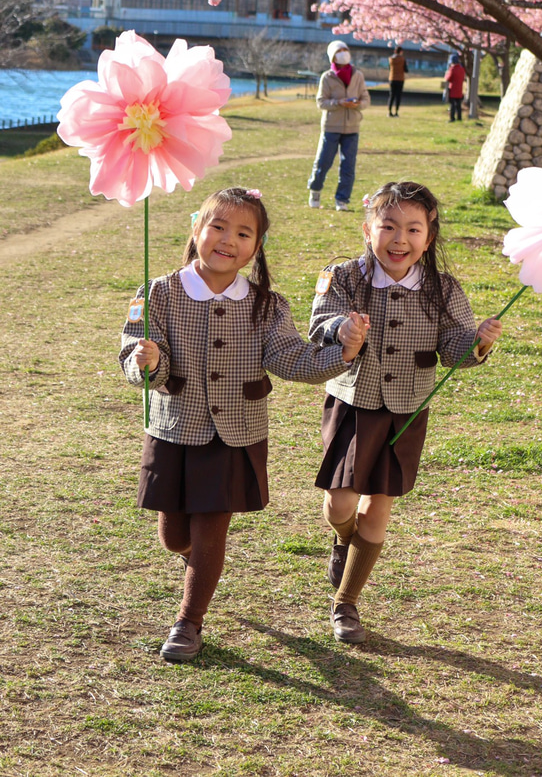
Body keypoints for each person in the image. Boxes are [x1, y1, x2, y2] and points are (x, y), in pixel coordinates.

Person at [119, 187, 367, 662]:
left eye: (243, 232)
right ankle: (196, 562)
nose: (227, 240)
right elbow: (134, 351)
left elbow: (291, 358)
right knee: (175, 535)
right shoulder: (158, 293)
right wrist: (146, 361)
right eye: (217, 227)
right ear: (196, 230)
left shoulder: (267, 305)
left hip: (236, 434)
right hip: (175, 429)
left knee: (212, 529)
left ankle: (188, 623)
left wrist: (344, 352)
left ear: (257, 247)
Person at [309, 181, 503, 644]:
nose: (400, 239)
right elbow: (319, 325)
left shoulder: (442, 289)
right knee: (340, 503)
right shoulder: (343, 277)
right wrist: (342, 329)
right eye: (389, 226)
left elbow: (454, 347)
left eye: (413, 229)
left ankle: (346, 604)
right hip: (354, 402)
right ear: (367, 229)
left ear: (428, 238)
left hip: (407, 411)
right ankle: (341, 539)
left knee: (379, 504)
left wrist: (477, 341)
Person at [307, 40, 370, 212]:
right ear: (332, 56)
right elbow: (321, 102)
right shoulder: (327, 77)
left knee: (348, 166)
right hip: (331, 127)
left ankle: (342, 200)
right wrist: (339, 102)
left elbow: (366, 99)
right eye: (339, 50)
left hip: (352, 127)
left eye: (345, 49)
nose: (343, 52)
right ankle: (315, 190)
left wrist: (357, 104)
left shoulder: (358, 75)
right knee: (323, 162)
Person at [444, 53, 466, 122]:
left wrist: (446, 74)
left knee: (452, 105)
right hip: (459, 89)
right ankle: (459, 117)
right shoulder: (462, 69)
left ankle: (452, 118)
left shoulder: (452, 69)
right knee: (458, 105)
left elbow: (448, 78)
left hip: (453, 89)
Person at [388, 46, 408, 117]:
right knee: (398, 96)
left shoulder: (390, 59)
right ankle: (396, 112)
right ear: (401, 52)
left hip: (392, 78)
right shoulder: (402, 59)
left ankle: (389, 111)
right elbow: (406, 70)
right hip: (400, 79)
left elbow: (389, 68)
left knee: (391, 95)